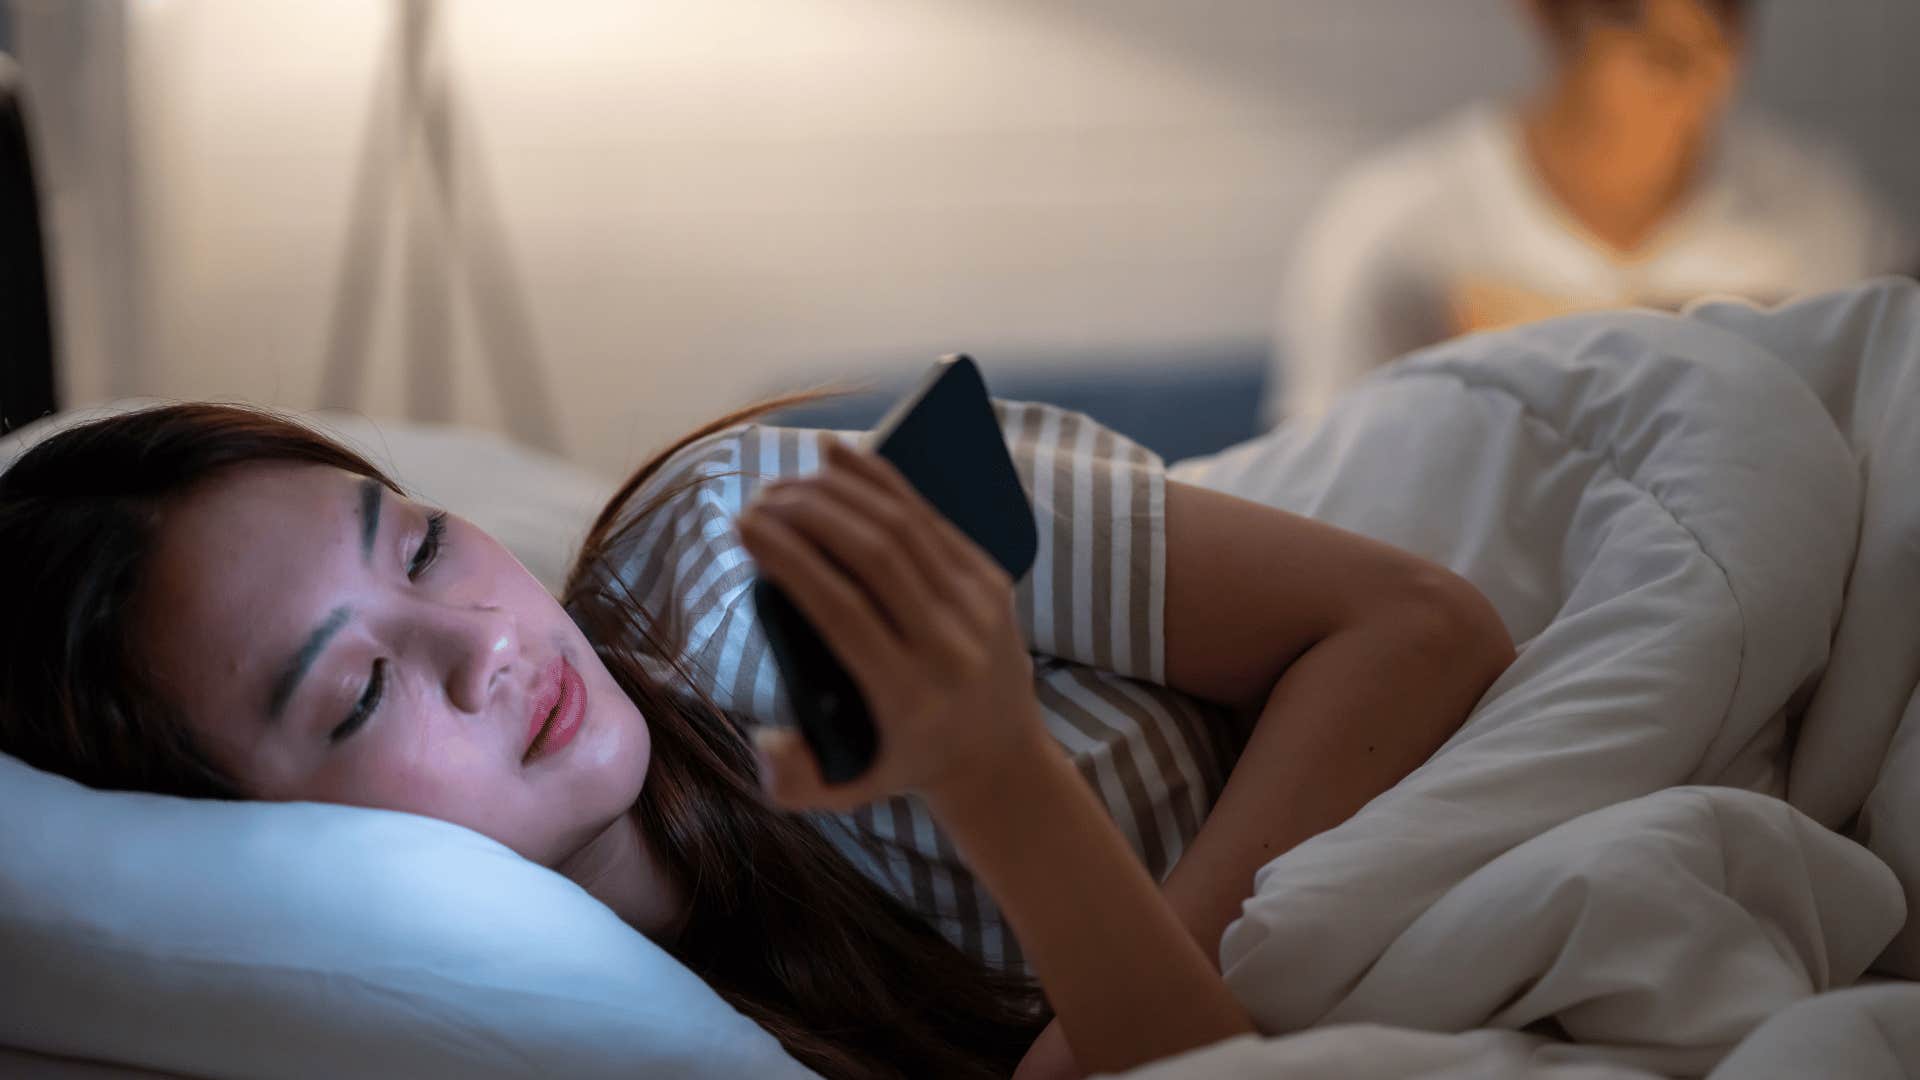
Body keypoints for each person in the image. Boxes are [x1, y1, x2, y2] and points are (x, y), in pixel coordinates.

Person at [0, 398, 1514, 1080]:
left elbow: (1418, 627)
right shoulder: (542, 1024)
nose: (483, 646)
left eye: (416, 547)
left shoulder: (758, 552)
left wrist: (1006, 797)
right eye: (359, 695)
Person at [1270, 0, 1916, 426]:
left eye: (1725, 26)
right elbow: (1315, 489)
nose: (1703, 71)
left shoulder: (1822, 209)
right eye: (1658, 47)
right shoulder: (1395, 228)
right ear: (1549, 16)